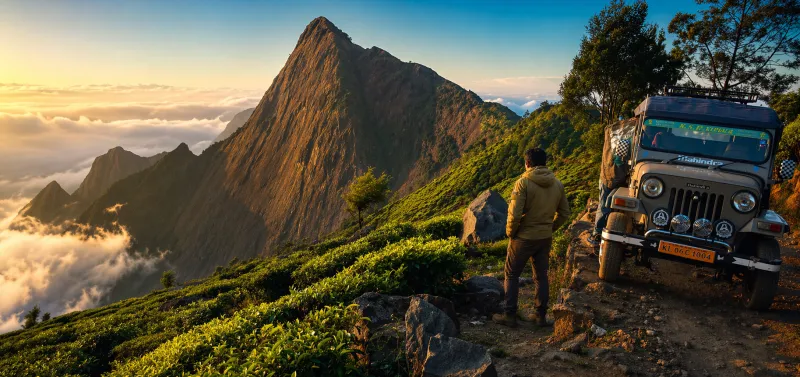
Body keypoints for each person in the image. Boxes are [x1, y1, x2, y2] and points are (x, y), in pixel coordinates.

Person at [493, 148, 571, 328]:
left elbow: (514, 214)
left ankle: (510, 315)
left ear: (527, 163)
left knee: (511, 274)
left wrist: (511, 233)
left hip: (524, 237)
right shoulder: (557, 184)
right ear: (545, 163)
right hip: (545, 237)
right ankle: (540, 316)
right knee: (541, 276)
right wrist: (550, 228)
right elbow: (565, 213)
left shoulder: (523, 183)